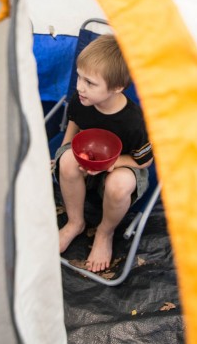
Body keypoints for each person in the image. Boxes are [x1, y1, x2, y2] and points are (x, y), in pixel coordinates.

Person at [53, 34, 153, 273]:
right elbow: (74, 122)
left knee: (119, 184)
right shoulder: (81, 100)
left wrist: (114, 163)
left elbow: (144, 160)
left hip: (123, 164)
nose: (79, 87)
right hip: (89, 159)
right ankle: (75, 222)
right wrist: (64, 148)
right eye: (79, 76)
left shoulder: (134, 122)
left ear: (117, 87)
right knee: (67, 160)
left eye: (90, 82)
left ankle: (104, 233)